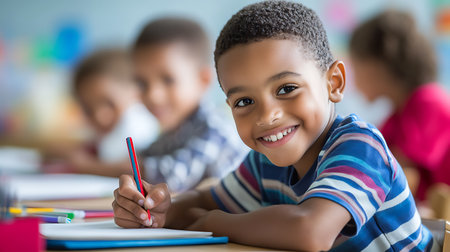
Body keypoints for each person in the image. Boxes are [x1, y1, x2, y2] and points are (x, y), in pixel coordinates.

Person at [112, 2, 437, 251]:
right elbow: (206, 199)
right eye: (244, 102)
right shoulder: (265, 162)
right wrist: (158, 209)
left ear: (333, 82)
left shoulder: (360, 146)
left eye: (286, 89)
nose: (267, 116)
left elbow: (310, 232)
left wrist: (212, 223)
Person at [131, 17, 248, 192]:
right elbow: (145, 156)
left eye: (168, 80)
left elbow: (167, 176)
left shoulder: (215, 128)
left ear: (203, 79)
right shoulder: (176, 130)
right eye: (142, 83)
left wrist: (87, 166)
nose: (153, 95)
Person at [349, 10, 450, 201]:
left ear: (376, 66)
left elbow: (403, 175)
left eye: (355, 65)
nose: (353, 78)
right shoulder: (397, 116)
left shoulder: (429, 102)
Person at [48, 49, 158, 177]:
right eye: (88, 109)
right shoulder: (111, 134)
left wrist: (84, 165)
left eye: (109, 103)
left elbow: (135, 169)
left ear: (136, 91)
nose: (100, 117)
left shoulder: (138, 123)